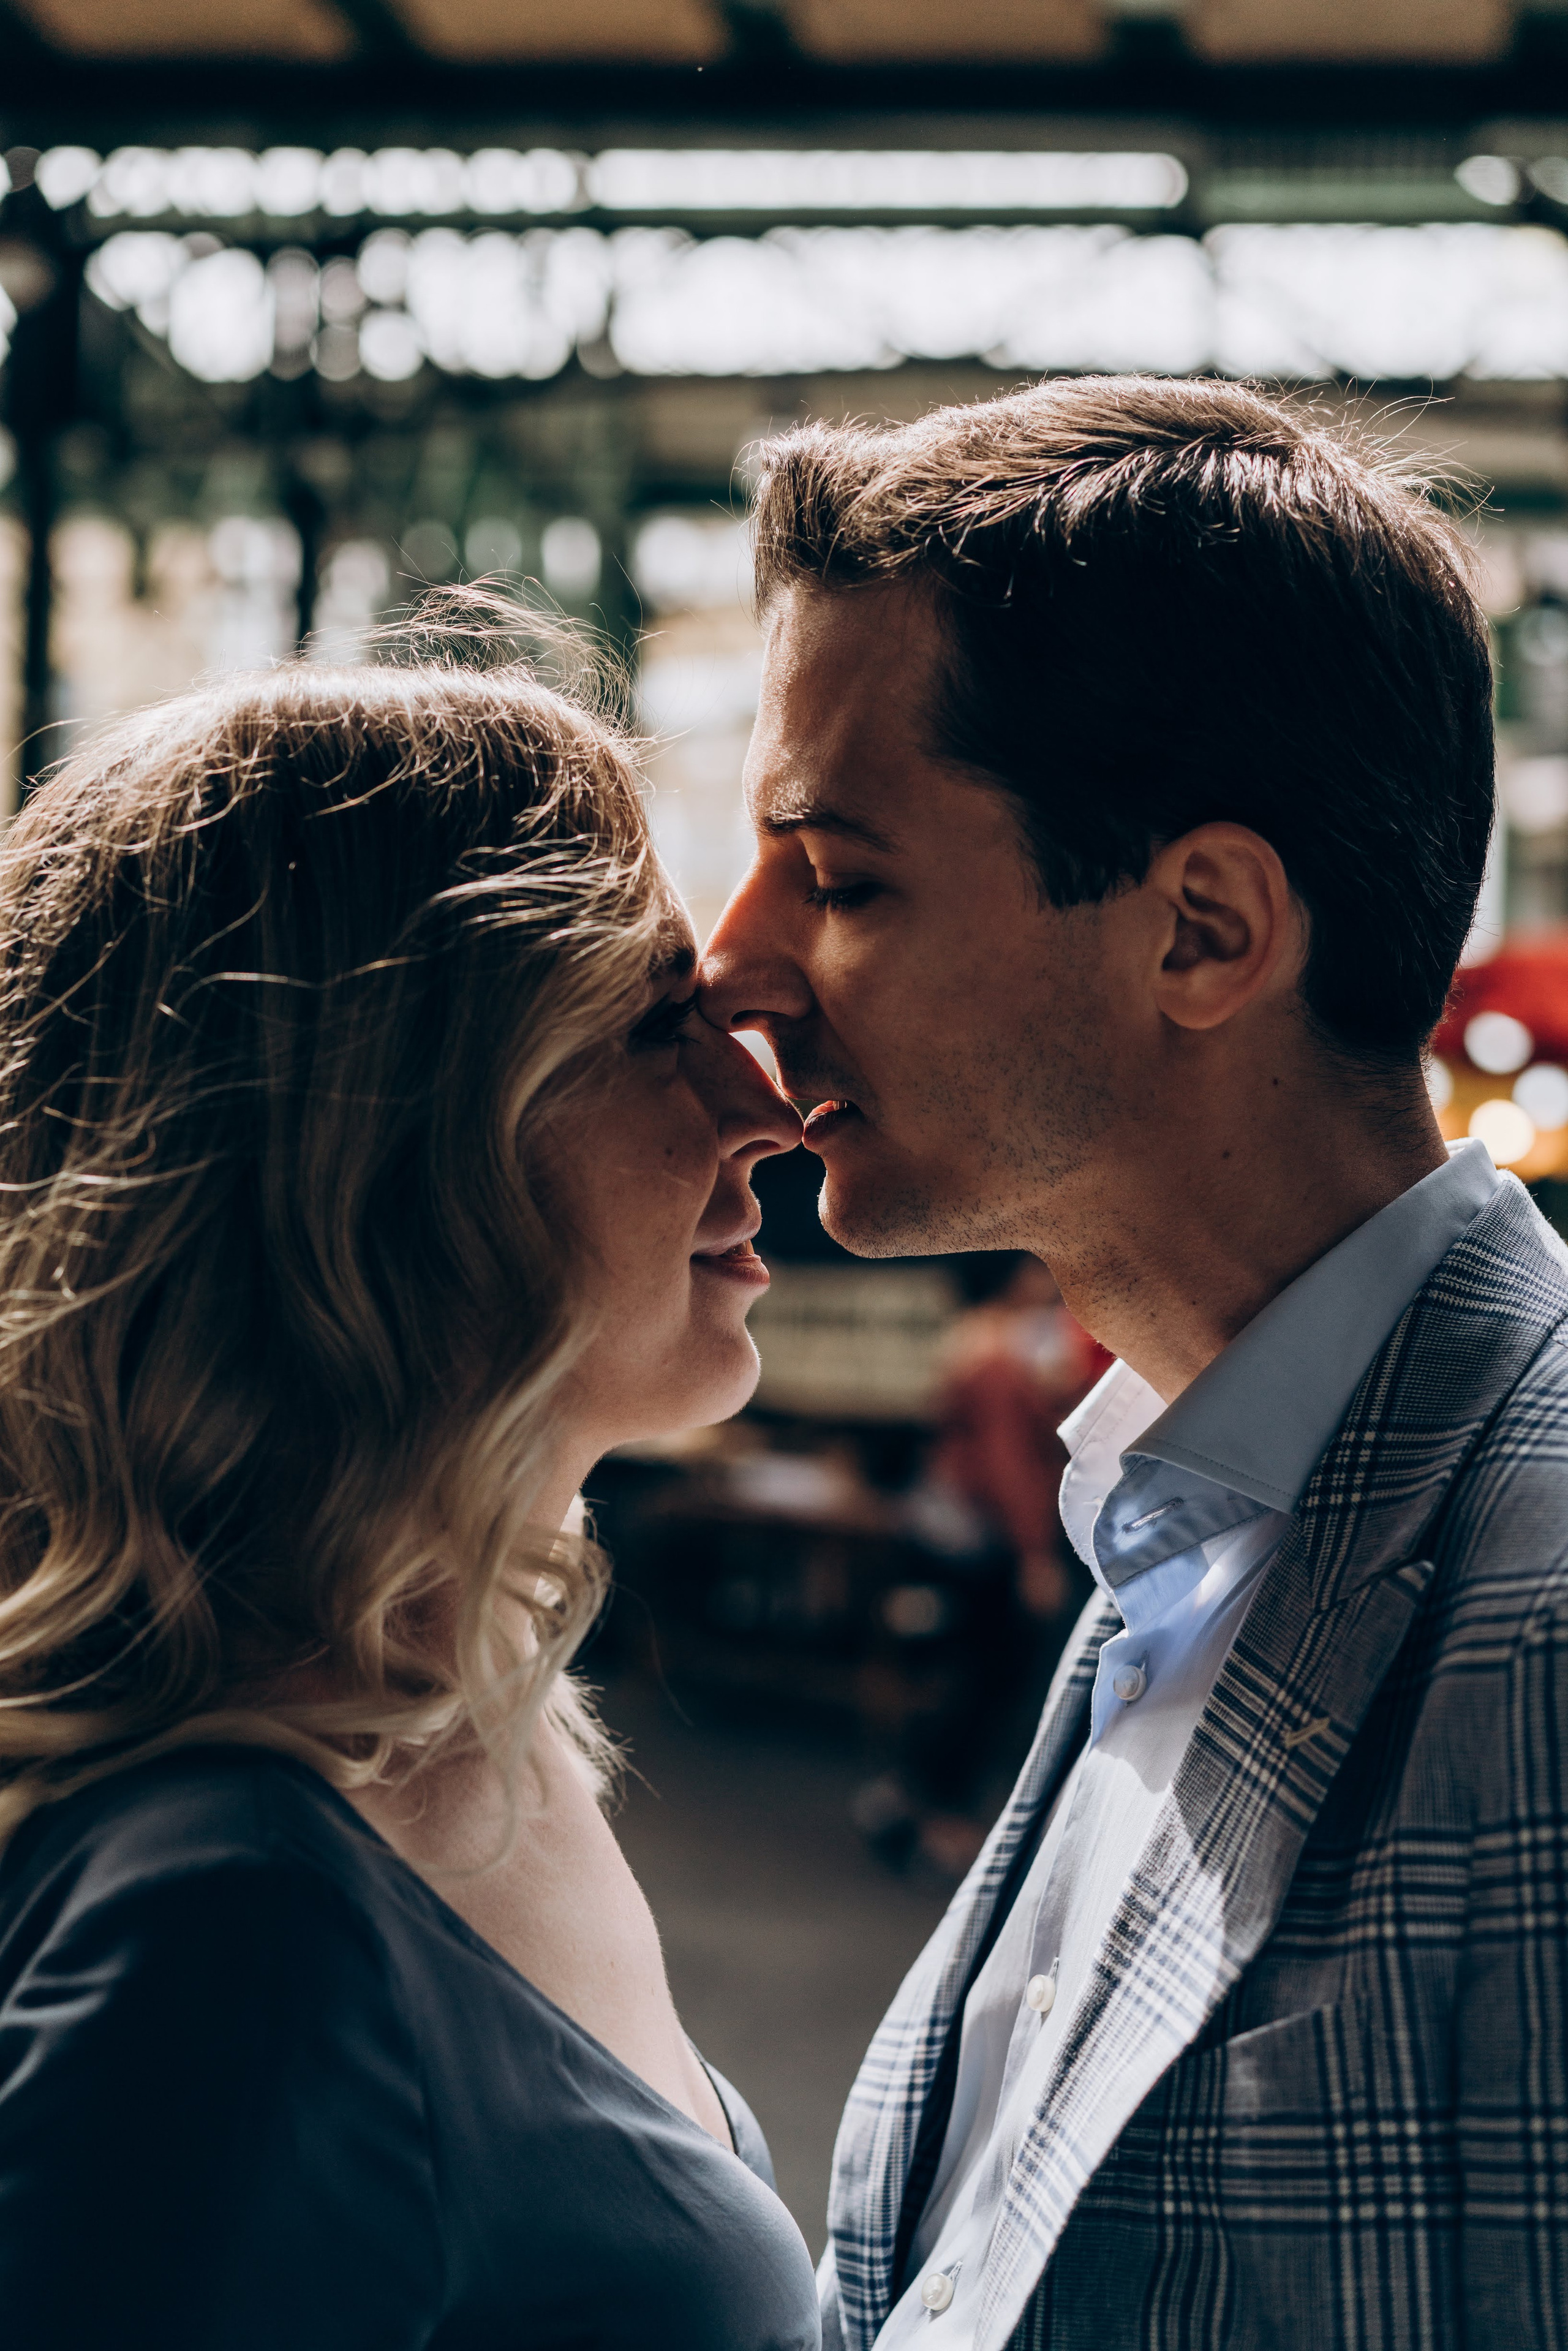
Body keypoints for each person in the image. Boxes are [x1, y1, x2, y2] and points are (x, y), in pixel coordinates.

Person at [701, 377, 1561, 2347]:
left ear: (1200, 932)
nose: (734, 964)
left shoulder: (1544, 1614)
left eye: (838, 876)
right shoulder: (1184, 1524)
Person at [0, 623, 815, 2349]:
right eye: (657, 1025)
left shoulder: (465, 1734)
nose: (768, 1106)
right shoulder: (228, 1939)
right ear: (391, 1135)